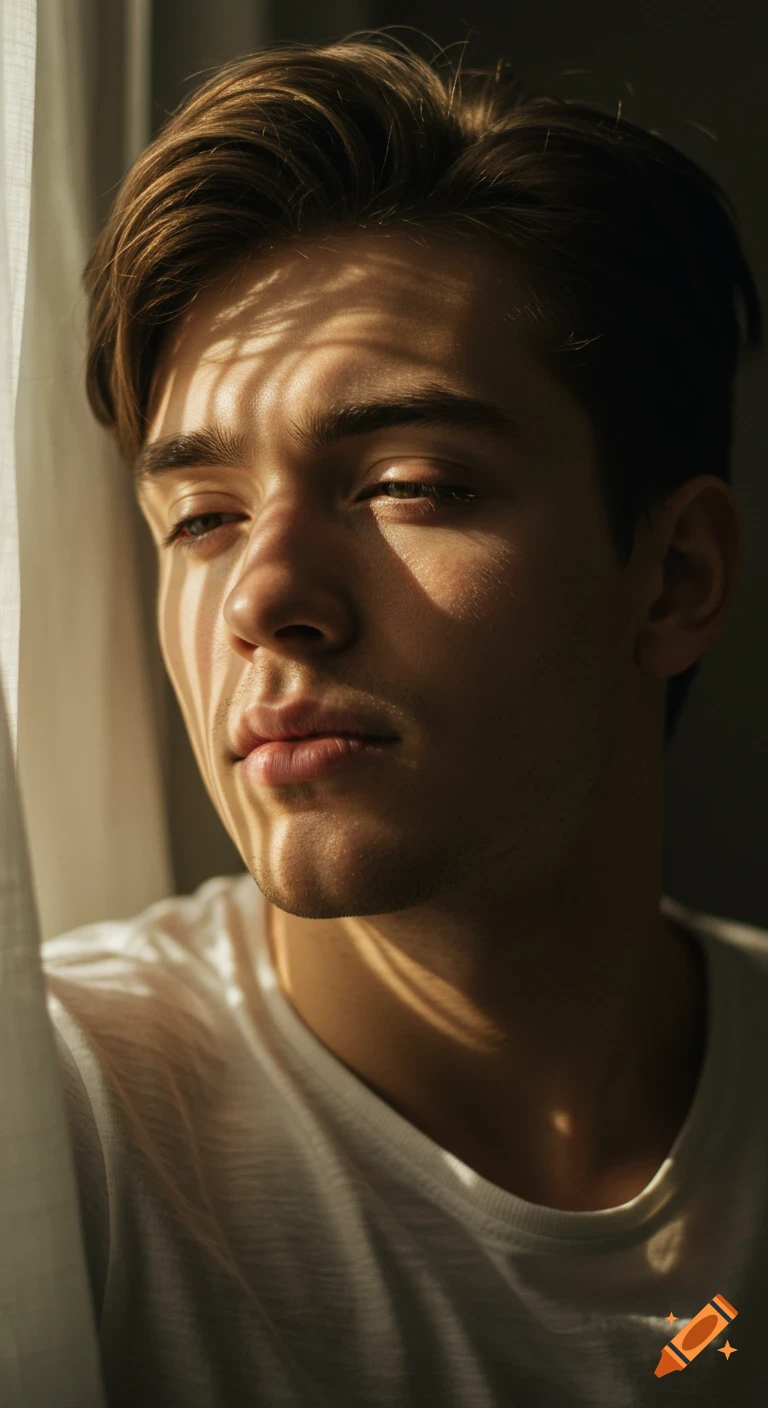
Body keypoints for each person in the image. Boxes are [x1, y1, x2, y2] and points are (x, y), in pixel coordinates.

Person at [43, 30, 765, 1408]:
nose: (263, 597)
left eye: (408, 483)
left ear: (673, 579)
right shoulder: (62, 1137)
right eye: (201, 517)